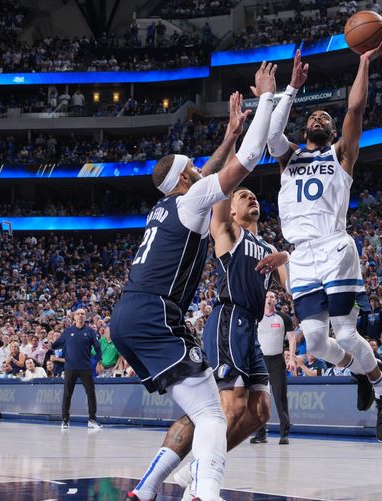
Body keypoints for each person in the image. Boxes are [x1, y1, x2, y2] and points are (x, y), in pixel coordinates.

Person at [111, 64, 277, 501]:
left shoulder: (165, 207)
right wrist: (265, 100)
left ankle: (147, 491)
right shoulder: (193, 199)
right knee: (211, 415)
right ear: (186, 179)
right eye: (194, 169)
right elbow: (251, 156)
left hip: (129, 314)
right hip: (155, 313)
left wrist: (227, 135)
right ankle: (204, 492)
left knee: (202, 409)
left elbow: (205, 173)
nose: (200, 172)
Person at [267, 46, 382, 442]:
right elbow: (272, 133)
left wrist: (363, 62)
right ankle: (358, 370)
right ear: (305, 129)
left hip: (335, 247)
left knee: (344, 334)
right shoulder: (287, 157)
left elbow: (355, 112)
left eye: (326, 116)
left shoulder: (341, 154)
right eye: (315, 117)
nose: (321, 119)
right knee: (316, 341)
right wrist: (290, 88)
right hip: (301, 256)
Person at [169, 183, 291, 495]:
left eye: (254, 195)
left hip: (251, 326)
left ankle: (198, 465)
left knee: (261, 410)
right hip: (229, 318)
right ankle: (203, 481)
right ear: (232, 209)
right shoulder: (229, 233)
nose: (252, 196)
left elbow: (290, 289)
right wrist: (236, 161)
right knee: (232, 404)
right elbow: (220, 192)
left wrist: (286, 256)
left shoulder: (267, 247)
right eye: (243, 195)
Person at [252, 291, 296, 444]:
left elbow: (291, 339)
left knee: (280, 397)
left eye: (272, 297)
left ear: (276, 300)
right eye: (267, 296)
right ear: (262, 300)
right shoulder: (256, 318)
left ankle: (284, 434)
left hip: (277, 361)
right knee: (259, 398)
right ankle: (260, 434)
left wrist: (292, 358)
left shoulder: (284, 318)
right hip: (260, 361)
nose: (270, 299)